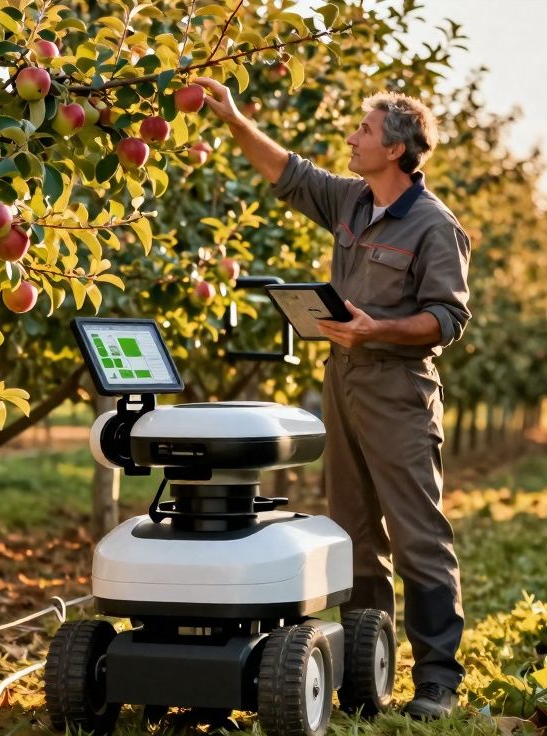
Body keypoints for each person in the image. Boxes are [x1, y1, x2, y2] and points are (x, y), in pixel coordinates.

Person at [194, 77, 471, 720]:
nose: (351, 137)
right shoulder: (351, 200)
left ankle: (438, 680)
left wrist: (379, 329)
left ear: (396, 149)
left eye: (364, 130)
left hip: (398, 388)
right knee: (354, 533)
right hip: (341, 379)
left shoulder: (434, 226)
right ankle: (367, 672)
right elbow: (288, 173)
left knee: (417, 532)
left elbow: (448, 319)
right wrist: (234, 120)